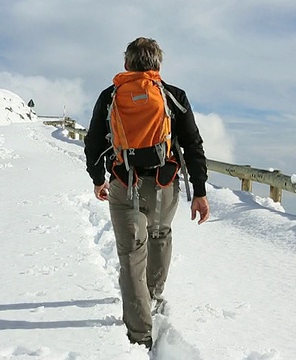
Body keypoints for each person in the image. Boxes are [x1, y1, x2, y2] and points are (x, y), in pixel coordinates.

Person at [84, 37, 210, 350]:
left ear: (126, 64)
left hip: (124, 184)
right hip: (164, 186)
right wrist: (200, 191)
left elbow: (93, 142)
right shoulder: (172, 96)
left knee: (130, 255)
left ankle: (139, 335)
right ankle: (151, 295)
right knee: (160, 236)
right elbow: (193, 144)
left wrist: (98, 179)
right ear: (158, 65)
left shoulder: (111, 95)